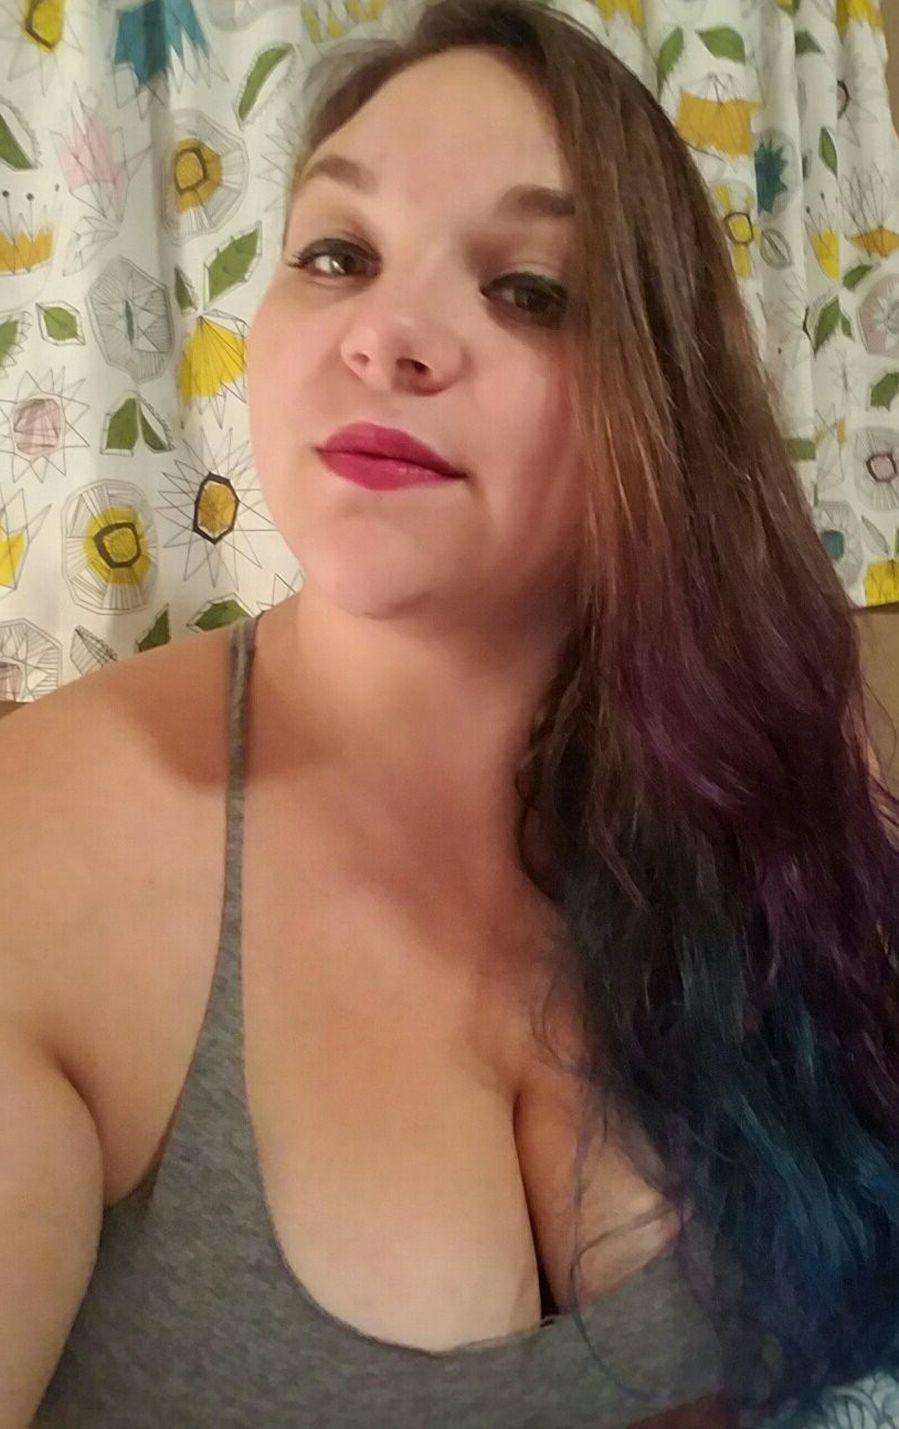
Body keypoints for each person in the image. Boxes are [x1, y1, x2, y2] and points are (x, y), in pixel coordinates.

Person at [2, 0, 898, 1424]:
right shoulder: (44, 847)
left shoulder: (762, 787)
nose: (387, 336)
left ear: (664, 397)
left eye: (528, 289)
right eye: (336, 255)